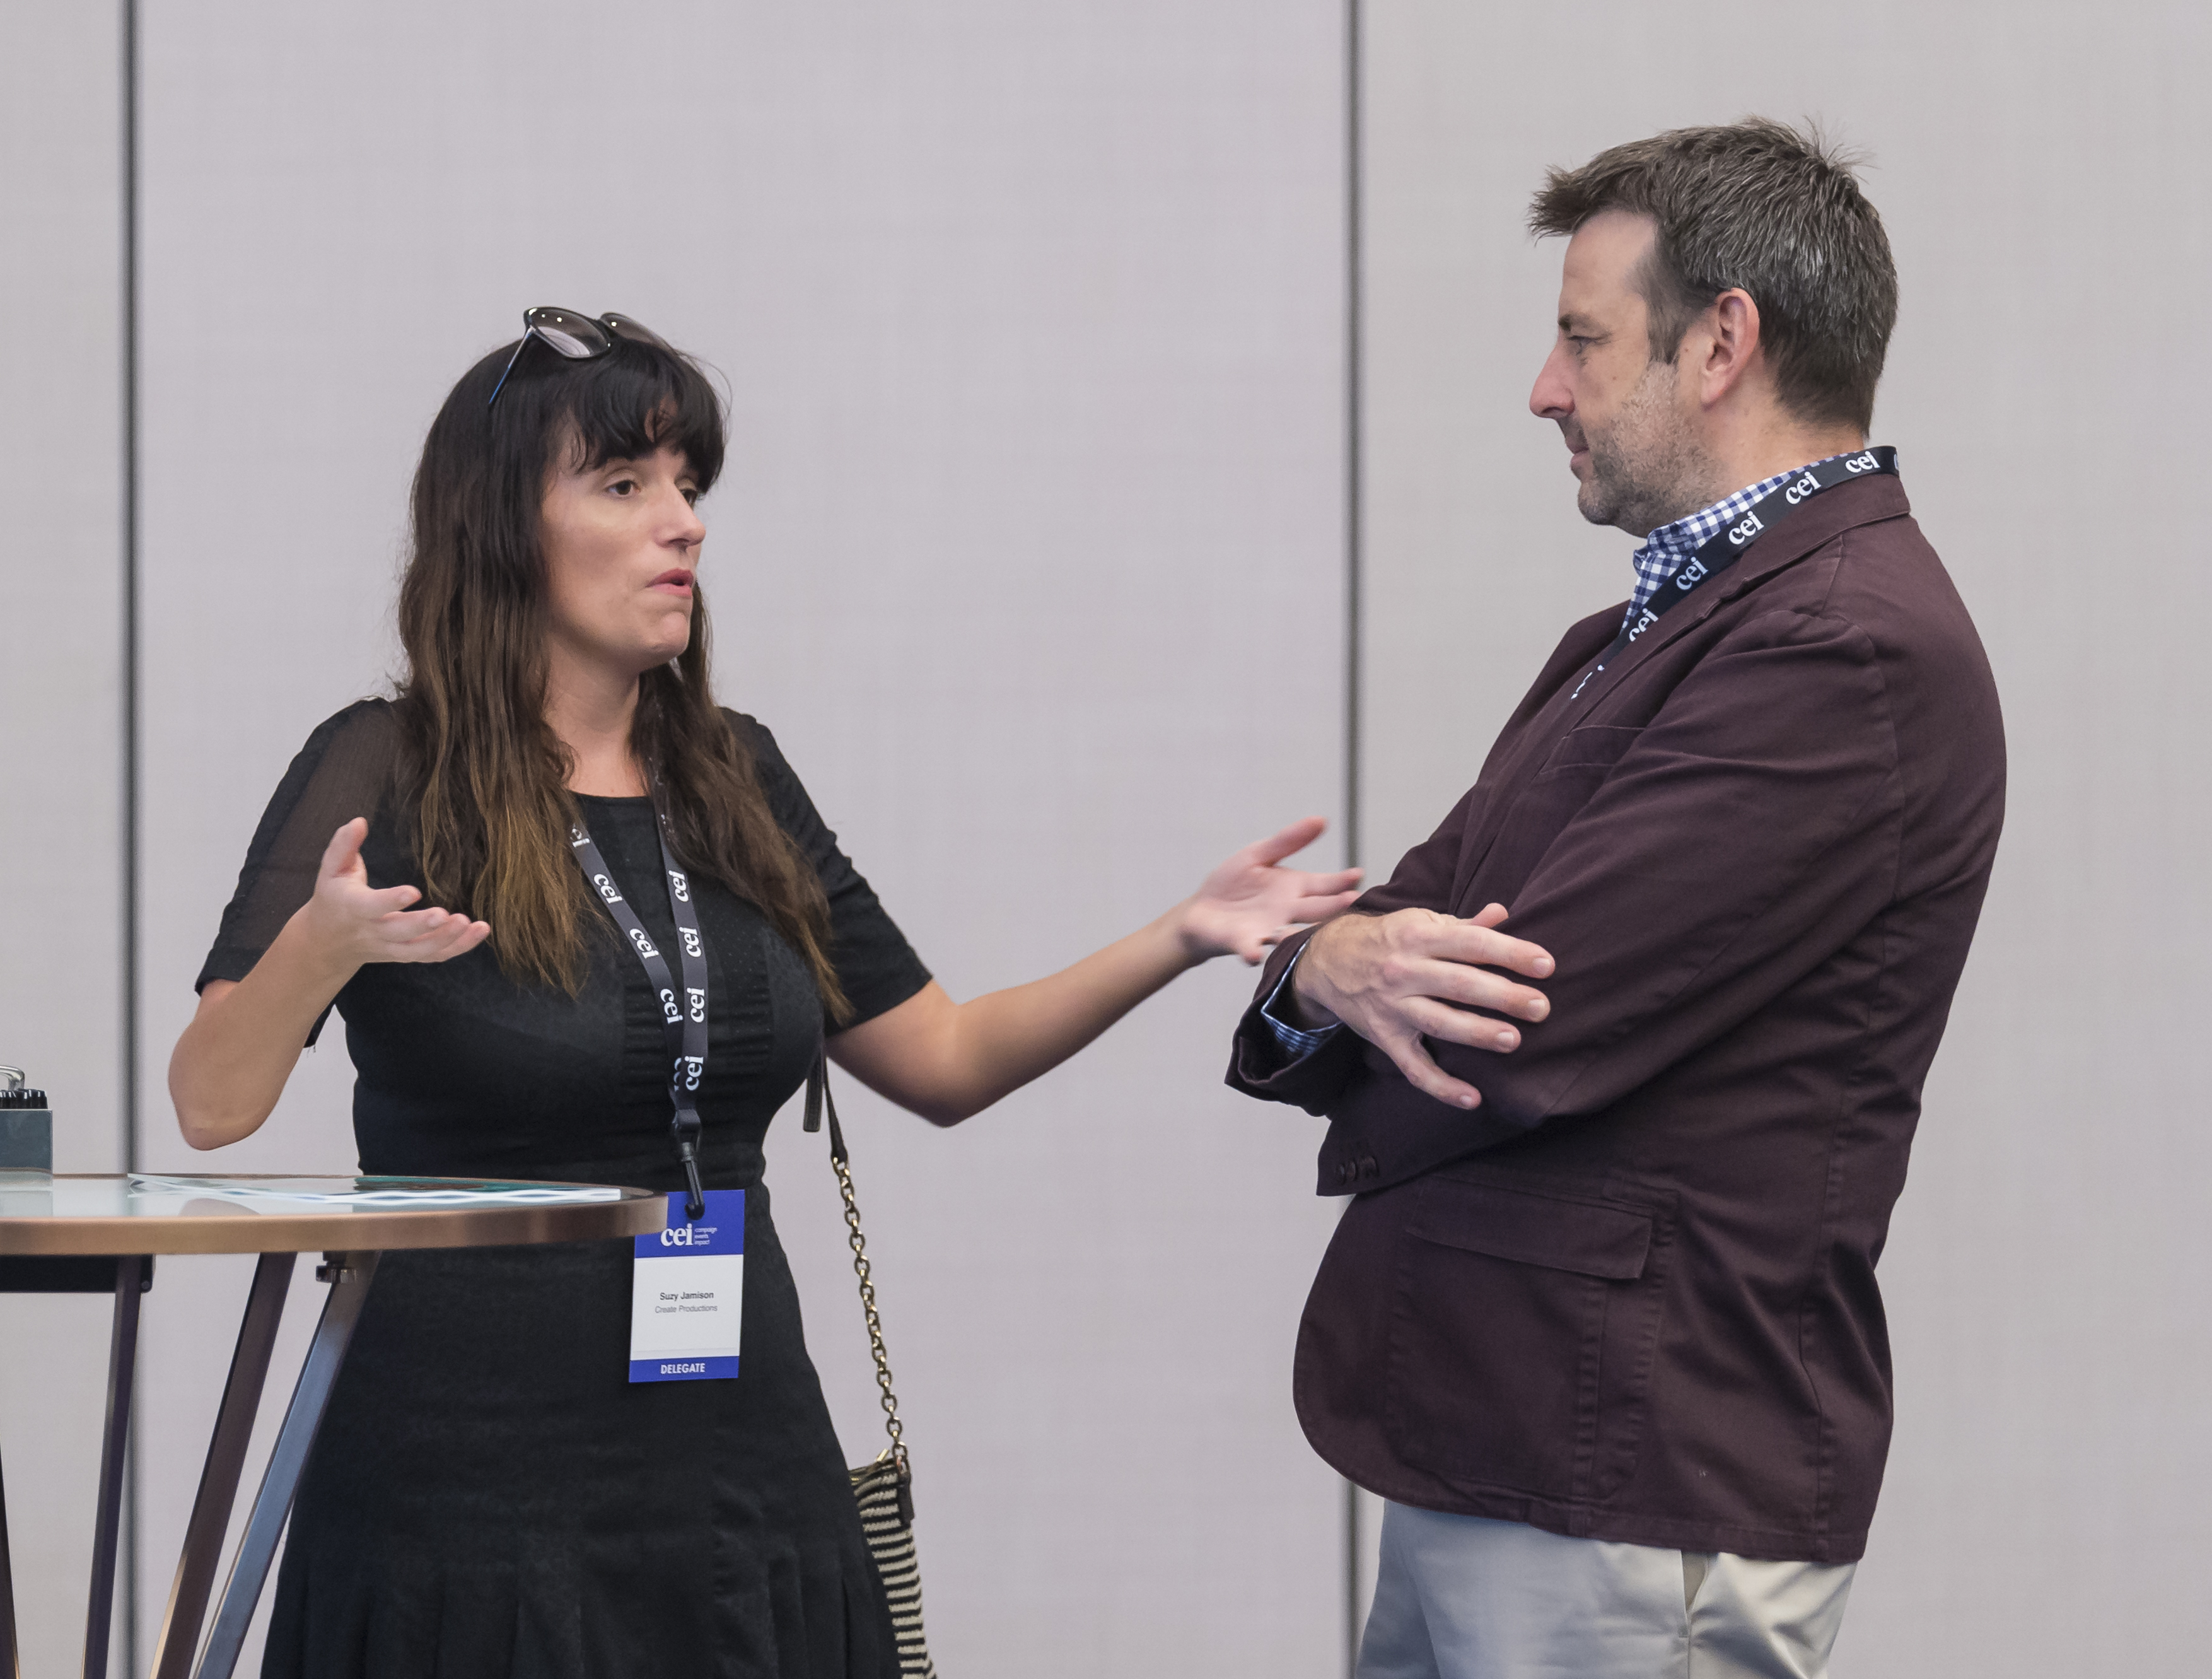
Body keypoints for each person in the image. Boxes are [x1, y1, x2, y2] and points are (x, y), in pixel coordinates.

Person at [168, 307, 1362, 1678]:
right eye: (625, 484)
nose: (682, 522)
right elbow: (211, 1101)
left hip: (739, 1469)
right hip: (461, 1489)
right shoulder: (385, 763)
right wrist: (318, 946)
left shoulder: (734, 774)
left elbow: (944, 1057)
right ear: (500, 526)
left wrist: (1181, 935)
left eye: (688, 485)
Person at [1227, 120, 2005, 1678]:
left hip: (1632, 1470)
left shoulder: (1840, 648)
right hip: (1515, 1444)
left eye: (1580, 339)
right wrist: (1332, 961)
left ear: (1720, 342)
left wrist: (1348, 966)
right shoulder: (1639, 637)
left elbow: (1519, 1014)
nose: (1543, 387)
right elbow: (1408, 919)